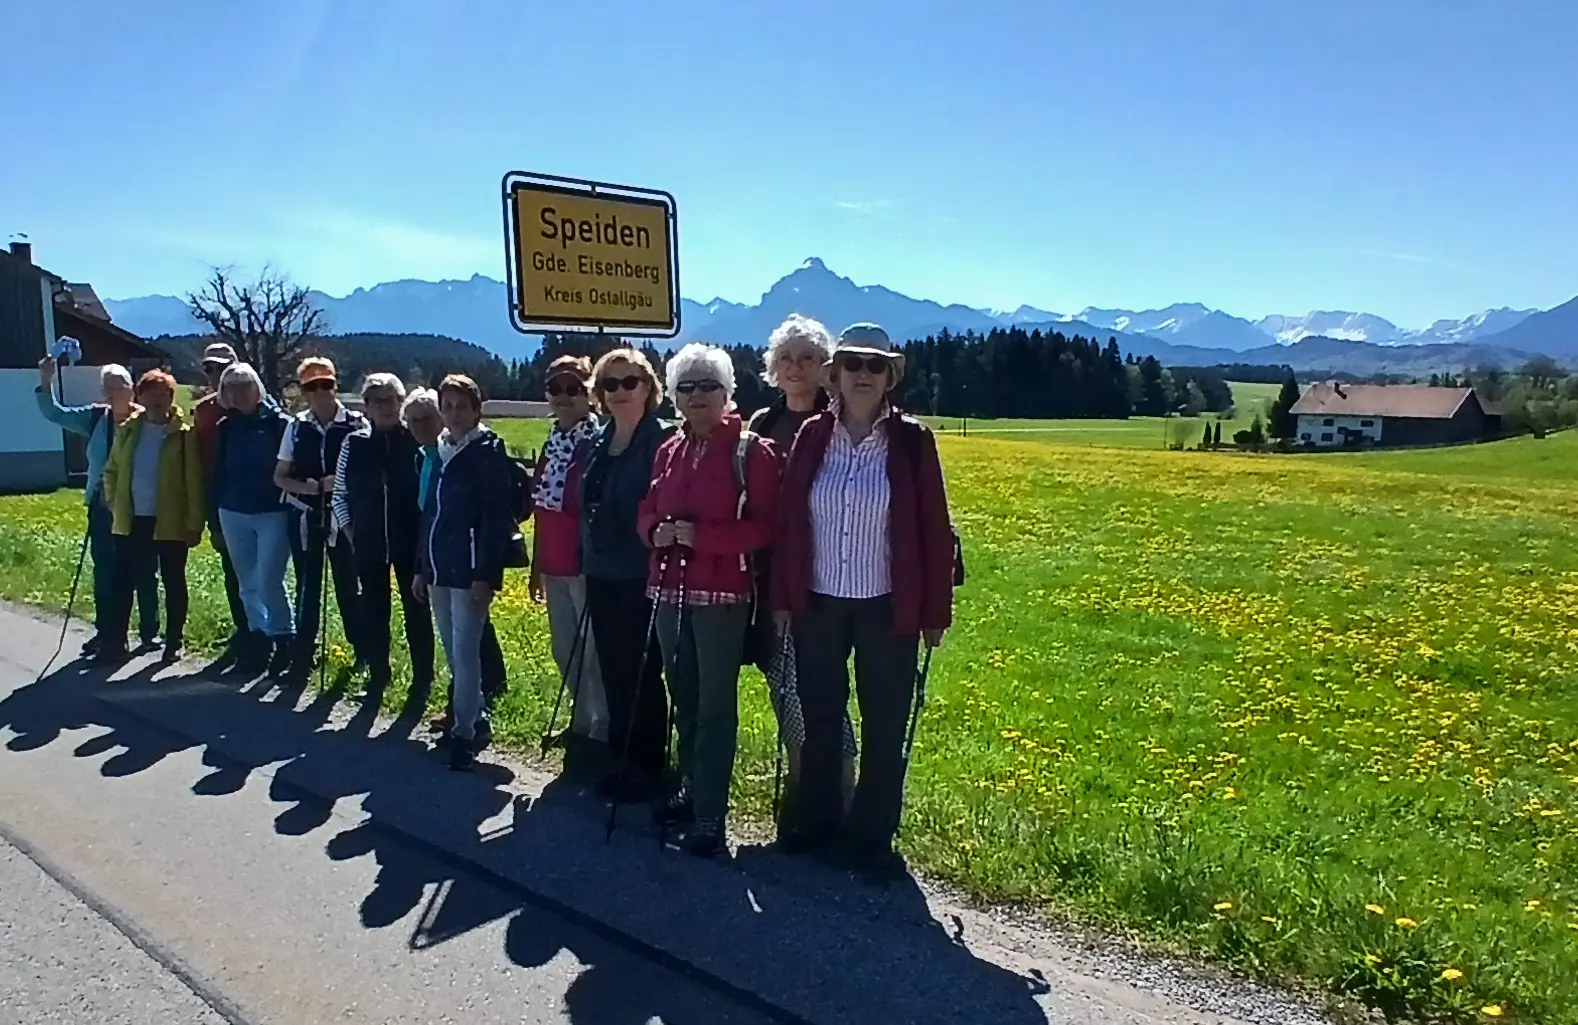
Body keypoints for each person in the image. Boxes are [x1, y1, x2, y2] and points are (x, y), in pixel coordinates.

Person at [771, 323, 956, 882]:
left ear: (890, 378)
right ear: (835, 374)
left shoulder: (911, 441)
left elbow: (934, 529)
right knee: (821, 720)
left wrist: (934, 613)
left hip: (886, 608)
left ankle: (873, 837)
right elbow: (788, 522)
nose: (862, 375)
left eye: (875, 366)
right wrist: (783, 597)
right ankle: (820, 822)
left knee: (884, 725)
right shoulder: (811, 437)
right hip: (818, 604)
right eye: (852, 364)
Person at [638, 344, 778, 857]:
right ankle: (692, 787)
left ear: (727, 392)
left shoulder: (751, 452)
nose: (697, 397)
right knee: (686, 697)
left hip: (722, 593)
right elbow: (647, 510)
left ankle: (710, 816)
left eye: (707, 386)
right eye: (686, 387)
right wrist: (654, 532)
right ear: (674, 396)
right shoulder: (668, 450)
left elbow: (766, 526)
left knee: (716, 706)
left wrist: (703, 537)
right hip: (668, 588)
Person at [747, 315, 858, 820]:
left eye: (808, 358)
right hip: (773, 578)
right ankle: (803, 789)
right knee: (783, 681)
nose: (795, 367)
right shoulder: (761, 426)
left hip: (833, 576)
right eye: (786, 358)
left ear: (825, 368)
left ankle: (841, 795)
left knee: (826, 687)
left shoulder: (841, 425)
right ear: (772, 368)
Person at [580, 348, 675, 803]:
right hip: (601, 570)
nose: (620, 391)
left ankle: (648, 764)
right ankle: (620, 758)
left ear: (648, 388)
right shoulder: (600, 439)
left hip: (643, 572)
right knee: (613, 669)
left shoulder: (661, 442)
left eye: (629, 382)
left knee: (642, 671)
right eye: (610, 384)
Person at [413, 375, 515, 771]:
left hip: (470, 568)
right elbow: (430, 514)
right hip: (439, 566)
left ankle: (464, 734)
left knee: (466, 651)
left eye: (462, 406)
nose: (454, 414)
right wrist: (422, 567)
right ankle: (474, 716)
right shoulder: (439, 451)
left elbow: (494, 518)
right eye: (448, 405)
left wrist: (486, 575)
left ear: (477, 410)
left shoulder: (488, 451)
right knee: (453, 651)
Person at [34, 356, 159, 654]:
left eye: (121, 386)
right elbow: (54, 413)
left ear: (132, 388)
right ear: (103, 393)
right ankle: (109, 633)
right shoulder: (94, 418)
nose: (115, 392)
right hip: (102, 506)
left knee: (144, 570)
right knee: (105, 570)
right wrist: (46, 379)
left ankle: (149, 633)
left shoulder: (148, 421)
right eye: (109, 388)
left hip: (140, 506)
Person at [96, 369, 204, 663]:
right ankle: (115, 644)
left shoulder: (184, 433)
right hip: (132, 520)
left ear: (171, 398)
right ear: (140, 397)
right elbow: (112, 470)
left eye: (163, 395)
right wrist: (113, 502)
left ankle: (173, 641)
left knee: (173, 581)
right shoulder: (129, 429)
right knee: (123, 583)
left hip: (170, 521)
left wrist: (195, 523)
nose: (157, 401)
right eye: (151, 395)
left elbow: (194, 480)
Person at [332, 373, 431, 692]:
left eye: (391, 399)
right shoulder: (354, 443)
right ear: (366, 406)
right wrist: (350, 532)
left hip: (411, 544)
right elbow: (339, 495)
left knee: (417, 612)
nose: (386, 406)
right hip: (368, 544)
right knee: (374, 612)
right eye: (377, 400)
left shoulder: (416, 440)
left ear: (402, 401)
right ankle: (378, 675)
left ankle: (423, 681)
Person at [529, 355, 607, 750]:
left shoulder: (597, 444)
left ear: (589, 394)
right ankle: (581, 720)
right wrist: (535, 567)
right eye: (556, 388)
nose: (564, 396)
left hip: (584, 564)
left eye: (573, 388)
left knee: (592, 651)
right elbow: (541, 509)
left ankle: (601, 729)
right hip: (554, 564)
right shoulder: (550, 444)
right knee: (564, 649)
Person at [273, 357, 367, 682]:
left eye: (325, 384)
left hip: (344, 518)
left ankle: (364, 652)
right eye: (312, 386)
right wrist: (309, 488)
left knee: (349, 587)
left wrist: (338, 484)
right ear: (303, 391)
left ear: (335, 385)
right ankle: (303, 654)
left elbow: (369, 475)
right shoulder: (295, 427)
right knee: (307, 587)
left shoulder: (356, 424)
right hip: (306, 515)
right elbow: (280, 477)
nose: (320, 391)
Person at [212, 363, 295, 675]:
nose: (239, 391)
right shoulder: (225, 426)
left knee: (270, 579)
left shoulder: (279, 424)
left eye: (245, 384)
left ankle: (284, 639)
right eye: (231, 386)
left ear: (257, 388)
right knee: (247, 582)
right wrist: (213, 517)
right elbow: (217, 473)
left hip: (272, 511)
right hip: (232, 510)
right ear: (224, 392)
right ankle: (258, 641)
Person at [191, 342, 250, 662]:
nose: (216, 374)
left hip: (258, 501)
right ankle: (244, 631)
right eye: (210, 368)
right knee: (232, 569)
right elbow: (198, 460)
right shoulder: (203, 411)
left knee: (264, 573)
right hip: (221, 499)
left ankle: (270, 634)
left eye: (223, 367)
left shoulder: (255, 404)